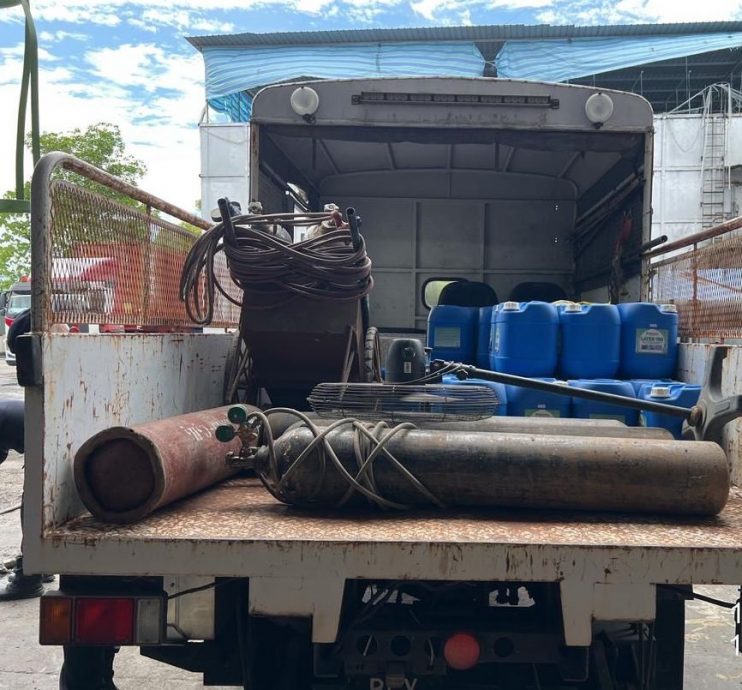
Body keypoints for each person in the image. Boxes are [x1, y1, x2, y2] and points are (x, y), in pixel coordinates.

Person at [0, 308, 50, 600]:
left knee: (32, 500)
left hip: (41, 432)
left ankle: (28, 577)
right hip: (39, 429)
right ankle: (40, 566)